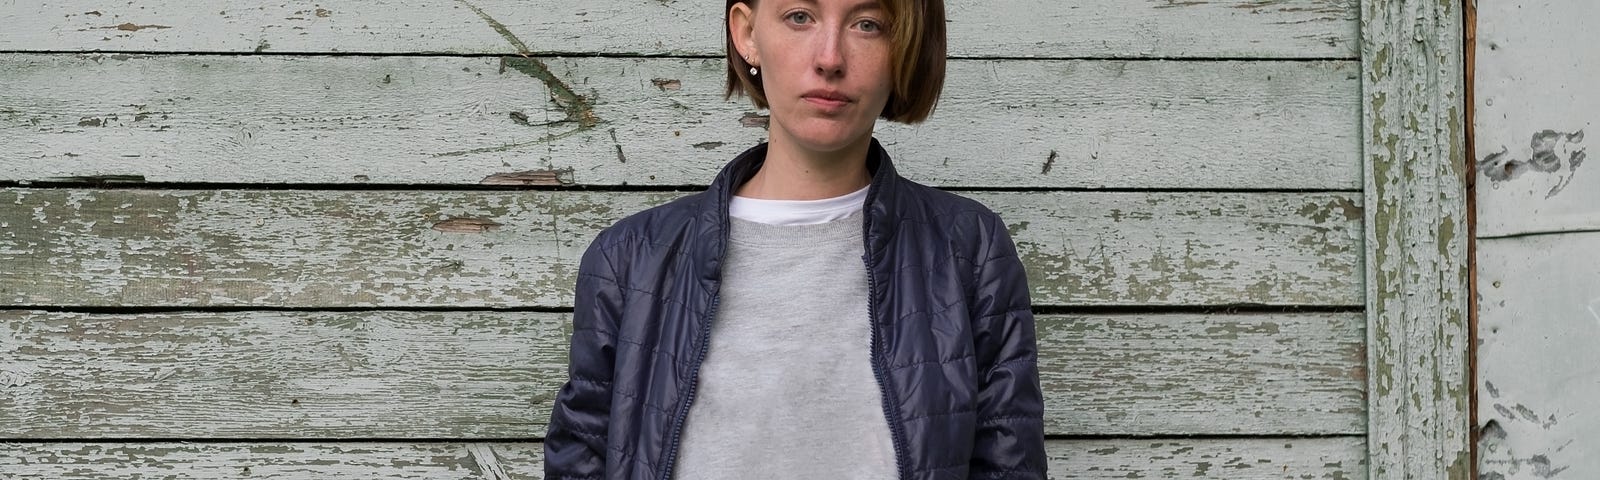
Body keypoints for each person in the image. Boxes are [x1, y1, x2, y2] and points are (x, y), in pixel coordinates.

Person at [543, 0, 1045, 478]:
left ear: (907, 46)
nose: (830, 58)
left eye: (868, 24)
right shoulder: (630, 259)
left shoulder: (968, 248)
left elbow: (1008, 462)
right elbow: (581, 457)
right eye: (799, 16)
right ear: (746, 33)